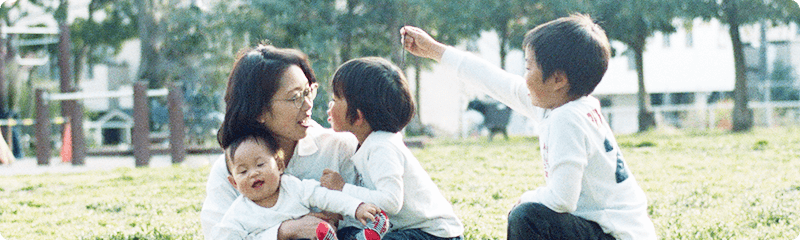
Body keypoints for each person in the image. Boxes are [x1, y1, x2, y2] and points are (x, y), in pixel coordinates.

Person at [400, 14, 656, 240]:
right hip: (613, 230)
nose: (524, 76)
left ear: (557, 78)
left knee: (528, 216)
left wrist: (528, 197)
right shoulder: (567, 103)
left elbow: (561, 200)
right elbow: (492, 79)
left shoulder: (566, 119)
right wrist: (434, 50)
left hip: (614, 234)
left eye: (529, 66)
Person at [202, 44, 360, 240]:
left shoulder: (338, 148)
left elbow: (370, 220)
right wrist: (285, 231)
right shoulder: (230, 170)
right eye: (294, 97)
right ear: (259, 111)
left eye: (307, 91)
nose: (308, 104)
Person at [321, 57, 464, 240]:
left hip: (435, 234)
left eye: (335, 99)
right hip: (406, 230)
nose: (330, 106)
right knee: (345, 233)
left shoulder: (382, 146)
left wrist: (342, 188)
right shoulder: (368, 142)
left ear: (357, 117)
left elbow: (390, 202)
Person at [213, 131, 388, 240]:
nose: (253, 173)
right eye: (243, 172)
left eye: (260, 165)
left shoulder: (292, 187)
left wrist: (356, 207)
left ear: (279, 166)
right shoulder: (237, 214)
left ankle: (362, 236)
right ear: (234, 183)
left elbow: (325, 196)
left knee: (341, 232)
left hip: (320, 234)